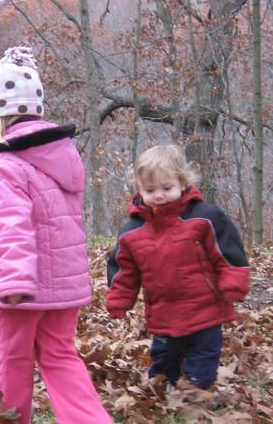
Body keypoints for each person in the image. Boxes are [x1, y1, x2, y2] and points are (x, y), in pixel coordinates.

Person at [0, 46, 117, 424]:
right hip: (65, 283)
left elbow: (13, 224)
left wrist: (15, 280)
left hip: (25, 284)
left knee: (14, 356)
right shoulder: (62, 155)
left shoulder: (6, 161)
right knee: (59, 353)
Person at [106, 144, 250, 390]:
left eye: (166, 188)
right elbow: (125, 271)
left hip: (206, 307)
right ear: (139, 189)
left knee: (203, 359)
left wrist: (233, 284)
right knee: (164, 360)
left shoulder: (205, 217)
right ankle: (163, 391)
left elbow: (227, 252)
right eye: (150, 190)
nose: (159, 195)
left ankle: (194, 394)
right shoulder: (132, 231)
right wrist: (119, 300)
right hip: (164, 310)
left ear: (183, 183)